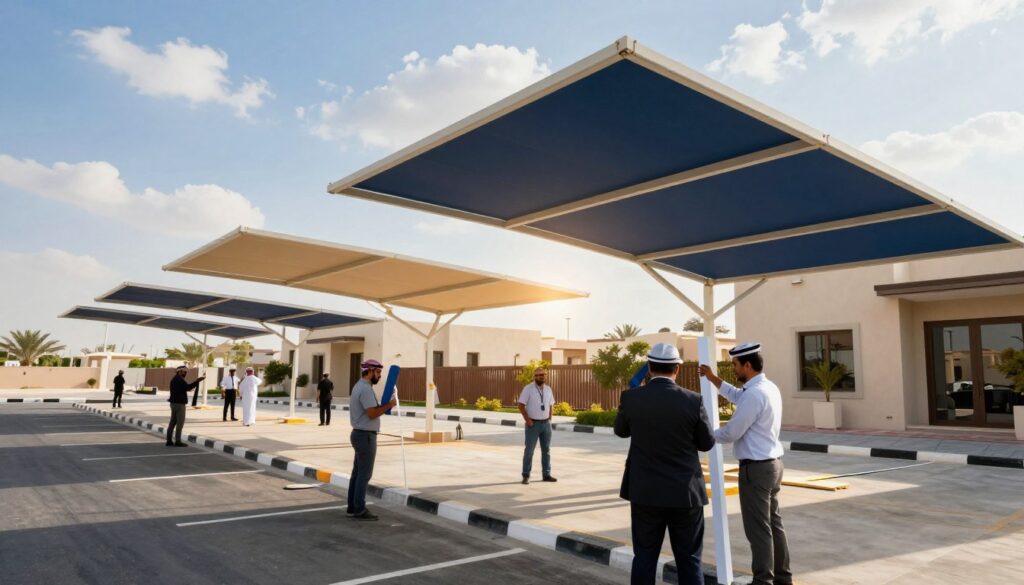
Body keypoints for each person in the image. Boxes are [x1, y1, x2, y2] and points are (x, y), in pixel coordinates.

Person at [615, 343, 715, 585]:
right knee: (689, 560)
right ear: (677, 369)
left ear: (649, 368)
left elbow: (621, 431)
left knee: (645, 558)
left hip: (646, 492)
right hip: (685, 494)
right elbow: (706, 443)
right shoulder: (693, 400)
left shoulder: (631, 398)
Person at [699, 342, 791, 585]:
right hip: (773, 465)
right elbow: (736, 395)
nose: (734, 369)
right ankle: (783, 578)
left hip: (756, 469)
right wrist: (712, 378)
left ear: (747, 365)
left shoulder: (755, 394)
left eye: (736, 365)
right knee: (774, 525)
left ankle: (762, 581)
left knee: (758, 530)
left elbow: (732, 432)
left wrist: (702, 436)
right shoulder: (767, 388)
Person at [348, 359, 397, 521]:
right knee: (364, 474)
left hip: (359, 434)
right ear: (369, 372)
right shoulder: (365, 389)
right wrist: (390, 404)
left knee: (357, 473)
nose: (379, 376)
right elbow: (372, 413)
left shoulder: (359, 386)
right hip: (365, 436)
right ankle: (359, 509)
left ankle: (352, 507)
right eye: (377, 373)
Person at [517, 366, 557, 485]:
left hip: (546, 424)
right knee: (529, 451)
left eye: (543, 375)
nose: (541, 377)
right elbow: (520, 405)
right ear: (535, 377)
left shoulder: (548, 389)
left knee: (546, 450)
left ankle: (546, 474)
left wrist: (550, 418)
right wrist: (528, 420)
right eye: (539, 375)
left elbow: (551, 404)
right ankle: (526, 475)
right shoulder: (528, 389)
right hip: (533, 424)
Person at [167, 365, 204, 447]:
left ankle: (169, 440)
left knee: (173, 422)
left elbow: (186, 388)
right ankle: (177, 441)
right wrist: (197, 381)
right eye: (184, 372)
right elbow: (188, 388)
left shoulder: (174, 379)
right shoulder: (180, 380)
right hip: (179, 404)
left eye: (186, 372)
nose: (185, 373)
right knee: (180, 423)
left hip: (173, 403)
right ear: (179, 371)